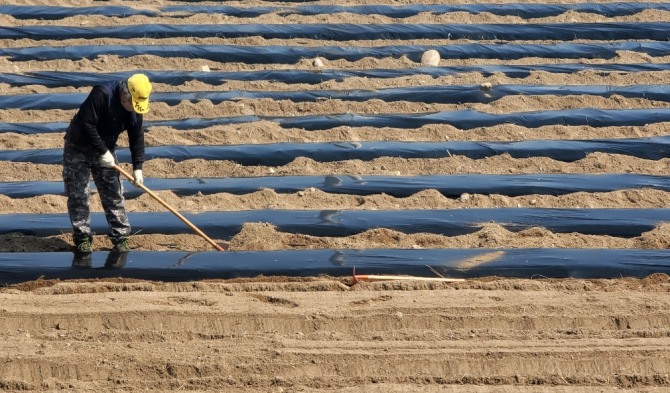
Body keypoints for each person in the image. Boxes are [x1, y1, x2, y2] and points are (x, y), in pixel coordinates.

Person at [62, 73, 152, 253]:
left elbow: (136, 137)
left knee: (113, 194)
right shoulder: (102, 94)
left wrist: (138, 168)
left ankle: (121, 237)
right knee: (79, 195)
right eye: (131, 103)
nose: (133, 109)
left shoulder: (135, 108)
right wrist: (103, 151)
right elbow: (86, 124)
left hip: (106, 149)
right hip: (78, 147)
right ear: (124, 93)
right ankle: (83, 239)